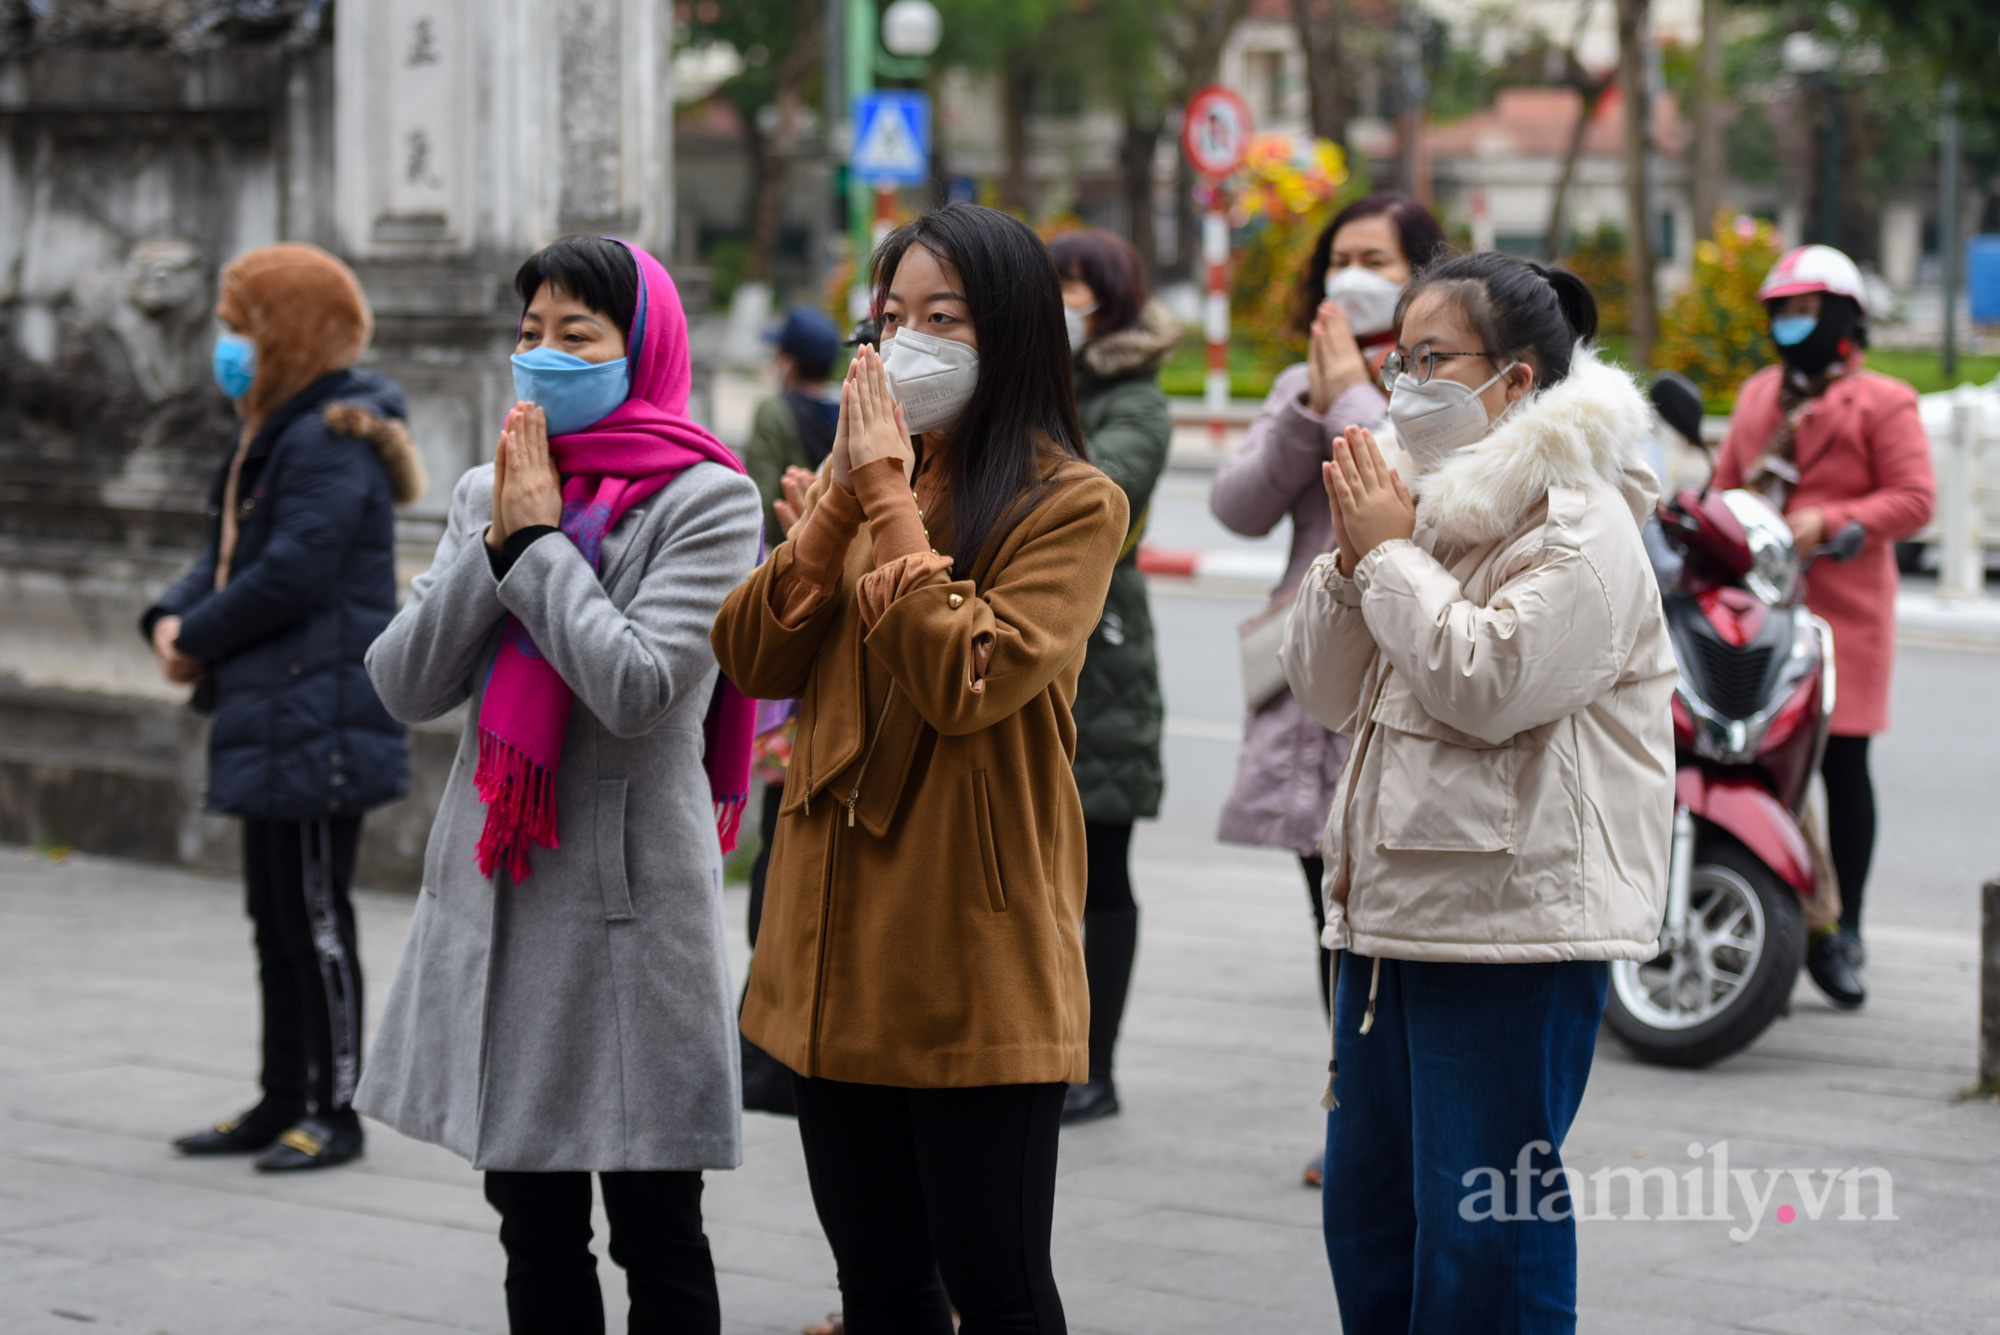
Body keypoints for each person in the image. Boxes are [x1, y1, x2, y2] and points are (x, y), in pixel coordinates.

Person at [711, 201, 1128, 1334]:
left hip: (964, 947)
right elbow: (749, 655)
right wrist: (844, 497)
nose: (906, 344)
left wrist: (883, 497)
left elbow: (969, 678)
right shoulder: (869, 480)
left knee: (993, 1283)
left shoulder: (1072, 503)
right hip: (833, 940)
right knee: (879, 1284)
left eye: (943, 318)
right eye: (889, 317)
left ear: (1011, 337)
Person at [355, 236, 762, 1335]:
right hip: (502, 887)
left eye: (575, 335)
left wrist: (536, 550)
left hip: (624, 908)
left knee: (654, 1227)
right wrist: (499, 542)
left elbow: (635, 687)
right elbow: (402, 680)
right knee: (529, 1227)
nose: (541, 358)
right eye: (528, 334)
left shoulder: (709, 501)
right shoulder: (492, 486)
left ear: (645, 349)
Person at [1281, 251, 1675, 1333]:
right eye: (1397, 360)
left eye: (1431, 360)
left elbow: (1489, 684)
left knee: (1483, 1241)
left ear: (1513, 382)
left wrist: (1390, 557)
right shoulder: (1423, 504)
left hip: (1512, 931)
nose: (1404, 385)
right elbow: (1318, 686)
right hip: (1393, 921)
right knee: (1369, 1223)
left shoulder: (1579, 522)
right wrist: (1356, 554)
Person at [150, 244, 421, 1173]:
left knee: (313, 918)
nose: (226, 345)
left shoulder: (331, 436)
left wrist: (196, 636)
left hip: (321, 714)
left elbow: (291, 573)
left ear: (285, 333)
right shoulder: (273, 429)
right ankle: (279, 1097)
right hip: (273, 711)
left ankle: (336, 1108)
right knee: (273, 916)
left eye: (238, 327)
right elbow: (223, 552)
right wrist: (169, 616)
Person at [1208, 192, 1445, 1185]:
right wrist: (1311, 406)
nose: (1351, 275)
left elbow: (1411, 484)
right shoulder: (1300, 385)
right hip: (1314, 684)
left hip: (1406, 681)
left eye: (1376, 259)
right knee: (1330, 918)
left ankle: (1404, 1129)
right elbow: (1236, 505)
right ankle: (1355, 1119)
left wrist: (1353, 395)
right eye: (1338, 258)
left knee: (1400, 930)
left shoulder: (1444, 391)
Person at [1712, 244, 1935, 1009]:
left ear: (1842, 317)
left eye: (1805, 312)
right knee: (1752, 761)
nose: (1790, 326)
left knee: (1843, 766)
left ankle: (1848, 929)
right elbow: (1723, 490)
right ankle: (1786, 921)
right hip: (1758, 609)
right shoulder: (1756, 399)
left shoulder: (1885, 401)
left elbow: (1914, 499)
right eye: (1781, 313)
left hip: (1847, 612)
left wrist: (1832, 520)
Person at [1045, 228, 1179, 1125]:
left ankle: (1097, 1066)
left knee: (1103, 868)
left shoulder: (1136, 398)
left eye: (1076, 288)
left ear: (1114, 299)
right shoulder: (1028, 380)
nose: (1061, 301)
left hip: (1106, 651)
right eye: (1047, 285)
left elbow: (1101, 490)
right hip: (1032, 644)